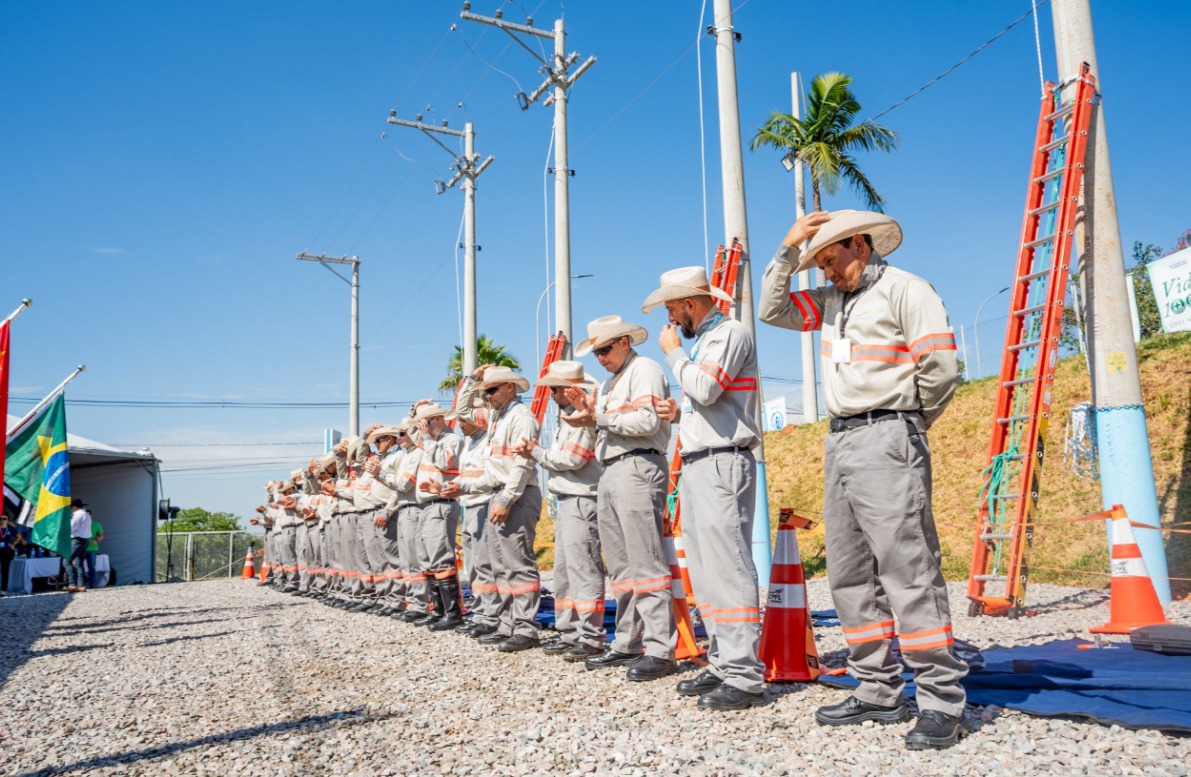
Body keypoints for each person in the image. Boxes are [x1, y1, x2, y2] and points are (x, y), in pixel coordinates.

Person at [759, 209, 969, 750]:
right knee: (850, 571)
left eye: (830, 259)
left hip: (888, 431)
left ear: (860, 244)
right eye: (820, 262)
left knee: (907, 567)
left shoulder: (906, 290)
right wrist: (788, 248)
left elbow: (941, 367)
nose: (825, 271)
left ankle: (941, 701)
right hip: (842, 438)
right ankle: (877, 689)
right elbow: (771, 308)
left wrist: (911, 424)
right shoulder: (832, 304)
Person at [643, 266, 768, 710]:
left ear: (691, 304)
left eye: (674, 311)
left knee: (728, 566)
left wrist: (675, 355)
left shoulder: (730, 333)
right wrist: (678, 414)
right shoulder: (709, 342)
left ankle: (745, 674)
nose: (673, 322)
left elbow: (708, 387)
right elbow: (708, 400)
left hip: (723, 461)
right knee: (707, 568)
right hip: (701, 462)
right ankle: (723, 662)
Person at [565, 315, 677, 681]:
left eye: (605, 348)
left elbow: (647, 423)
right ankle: (628, 642)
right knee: (622, 567)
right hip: (613, 468)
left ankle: (661, 647)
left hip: (638, 464)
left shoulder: (644, 368)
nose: (600, 357)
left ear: (626, 341)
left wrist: (598, 417)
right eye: (596, 351)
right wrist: (593, 414)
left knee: (645, 561)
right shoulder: (614, 381)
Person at [441, 366, 543, 652]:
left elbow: (522, 465)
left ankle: (525, 628)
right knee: (500, 566)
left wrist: (506, 499)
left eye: (491, 390)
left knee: (517, 565)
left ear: (510, 387)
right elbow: (462, 410)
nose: (487, 396)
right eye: (485, 391)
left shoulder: (520, 417)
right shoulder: (499, 418)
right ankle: (508, 624)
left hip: (516, 495)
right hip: (499, 493)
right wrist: (472, 380)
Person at [515, 360, 606, 662]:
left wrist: (537, 453)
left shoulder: (580, 419)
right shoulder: (568, 418)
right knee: (565, 572)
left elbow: (574, 459)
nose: (552, 395)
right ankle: (571, 632)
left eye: (555, 389)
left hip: (582, 499)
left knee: (583, 570)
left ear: (569, 389)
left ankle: (590, 636)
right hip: (569, 499)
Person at [412, 401, 465, 629]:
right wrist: (415, 411)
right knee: (428, 560)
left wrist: (428, 440)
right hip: (426, 505)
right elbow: (412, 432)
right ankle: (438, 609)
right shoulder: (429, 441)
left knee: (441, 558)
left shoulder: (451, 440)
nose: (420, 427)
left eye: (424, 422)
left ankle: (452, 613)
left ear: (435, 420)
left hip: (441, 502)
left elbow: (444, 461)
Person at [67, 498, 92, 593]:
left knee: (67, 560)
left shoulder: (78, 515)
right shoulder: (86, 514)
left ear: (74, 507)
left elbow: (71, 527)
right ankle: (81, 585)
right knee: (79, 563)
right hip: (85, 540)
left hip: (77, 539)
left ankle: (72, 584)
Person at [1, 512, 28, 594]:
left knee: (5, 570)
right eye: (0, 519)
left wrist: (13, 544)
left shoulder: (10, 528)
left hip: (7, 552)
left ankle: (3, 589)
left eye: (4, 519)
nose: (2, 520)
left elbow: (19, 536)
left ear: (7, 520)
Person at [85, 514, 105, 590]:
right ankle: (82, 582)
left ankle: (92, 583)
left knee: (92, 567)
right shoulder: (80, 524)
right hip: (81, 549)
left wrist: (96, 540)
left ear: (91, 515)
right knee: (79, 566)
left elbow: (101, 535)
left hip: (92, 549)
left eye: (88, 515)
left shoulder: (96, 524)